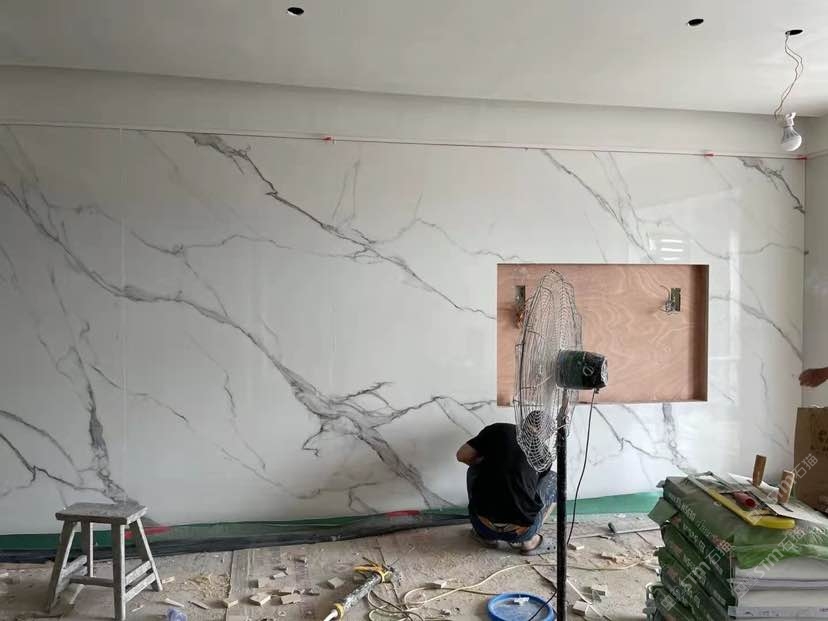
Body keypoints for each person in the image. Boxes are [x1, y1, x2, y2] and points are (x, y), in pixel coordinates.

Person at [456, 413, 556, 555]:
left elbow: (462, 455)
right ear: (546, 434)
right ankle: (529, 541)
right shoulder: (544, 454)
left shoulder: (498, 429)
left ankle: (485, 537)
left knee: (474, 470)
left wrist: (485, 464)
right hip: (520, 532)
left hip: (482, 526)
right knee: (553, 479)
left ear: (523, 422)